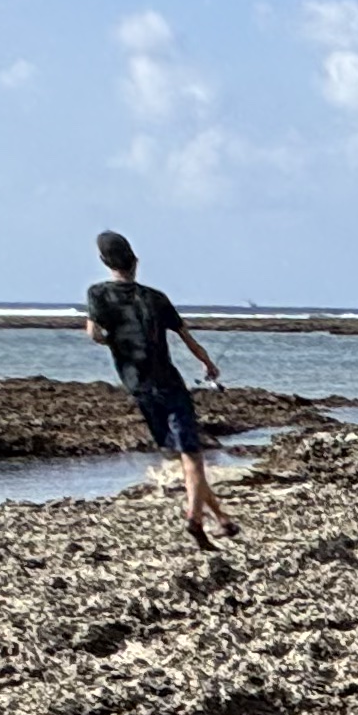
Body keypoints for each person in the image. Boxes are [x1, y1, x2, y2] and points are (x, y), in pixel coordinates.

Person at [83, 230, 236, 545]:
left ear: (104, 261)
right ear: (135, 261)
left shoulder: (98, 294)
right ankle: (194, 518)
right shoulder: (155, 298)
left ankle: (222, 519)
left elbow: (94, 334)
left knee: (185, 456)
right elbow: (187, 338)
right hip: (169, 382)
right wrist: (208, 364)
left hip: (138, 386)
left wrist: (117, 340)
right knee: (192, 456)